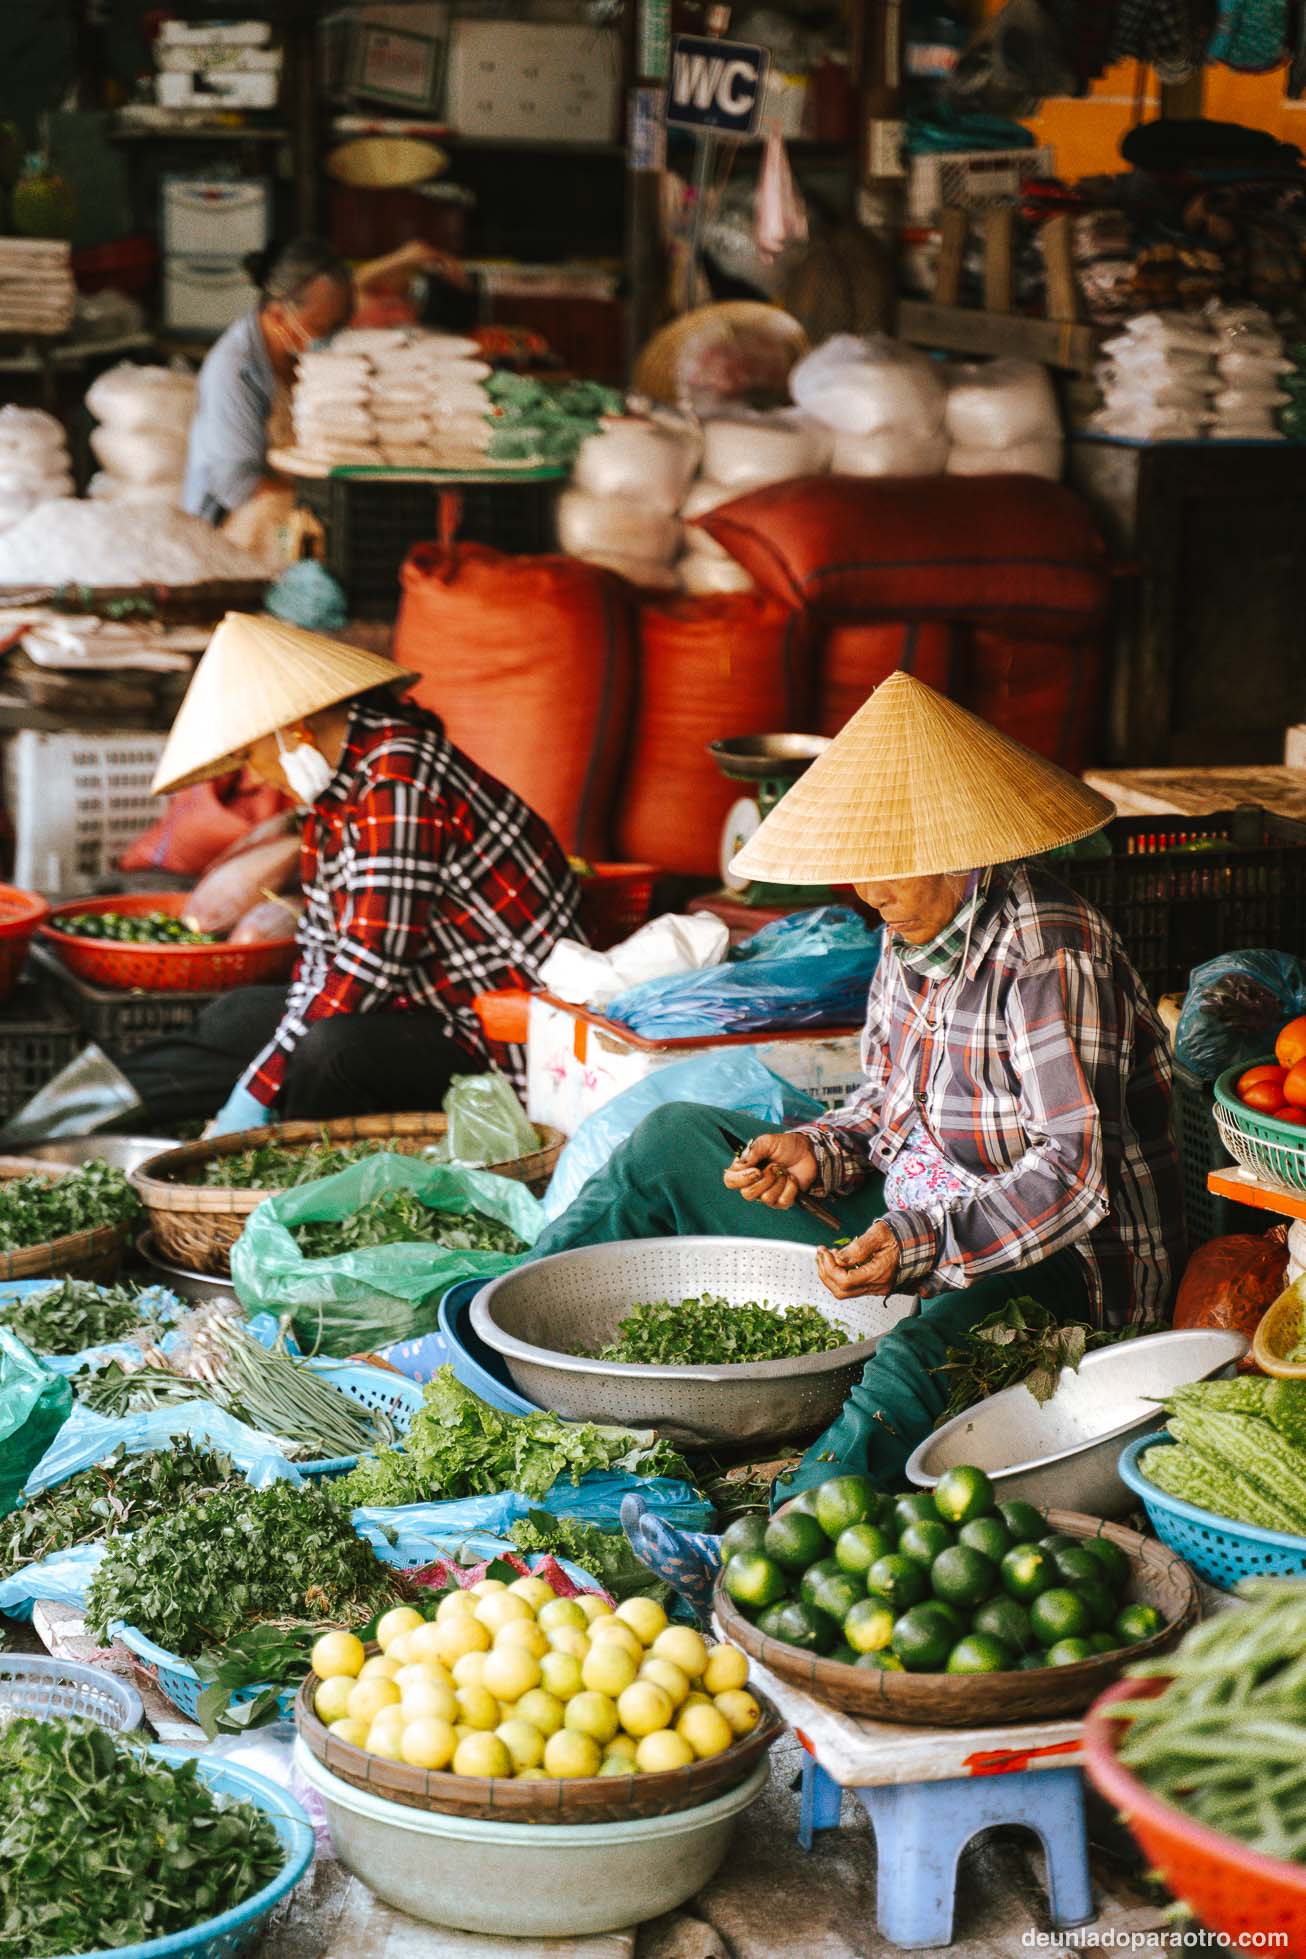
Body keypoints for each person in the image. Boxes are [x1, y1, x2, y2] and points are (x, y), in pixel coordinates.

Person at [528, 673, 1184, 1493]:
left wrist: (922, 1241)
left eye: (892, 867)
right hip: (920, 1218)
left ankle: (799, 1519)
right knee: (672, 1143)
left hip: (1059, 1266)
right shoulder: (909, 934)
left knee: (917, 1357)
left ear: (958, 841)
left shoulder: (1050, 954)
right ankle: (503, 1338)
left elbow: (1073, 1177)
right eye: (861, 868)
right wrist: (817, 1149)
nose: (872, 893)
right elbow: (883, 1107)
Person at [124, 613, 581, 1134]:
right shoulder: (330, 798)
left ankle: (275, 1173)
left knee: (331, 1053)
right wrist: (262, 1075)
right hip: (417, 1006)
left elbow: (372, 961)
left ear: (293, 731)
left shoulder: (399, 775)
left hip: (497, 1037)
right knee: (238, 1018)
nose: (254, 776)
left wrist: (260, 1088)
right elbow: (321, 955)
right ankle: (76, 1115)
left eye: (251, 756)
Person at [182, 235, 467, 532]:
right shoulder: (235, 370)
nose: (330, 341)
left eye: (337, 328)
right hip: (235, 521)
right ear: (279, 315)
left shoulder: (299, 345)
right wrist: (329, 509)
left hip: (301, 502)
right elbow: (237, 485)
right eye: (322, 329)